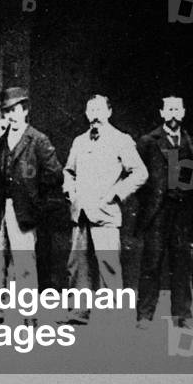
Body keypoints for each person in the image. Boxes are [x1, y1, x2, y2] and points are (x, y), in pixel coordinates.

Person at [62, 95, 147, 325]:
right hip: (80, 213)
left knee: (108, 264)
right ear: (86, 114)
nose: (95, 115)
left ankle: (114, 317)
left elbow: (140, 172)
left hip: (106, 212)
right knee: (77, 265)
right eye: (91, 110)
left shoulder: (121, 140)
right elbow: (68, 172)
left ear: (109, 112)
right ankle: (78, 313)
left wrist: (116, 194)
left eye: (100, 109)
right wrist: (70, 191)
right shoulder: (79, 141)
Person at [0, 87, 63, 324]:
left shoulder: (38, 139)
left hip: (24, 210)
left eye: (15, 110)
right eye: (6, 110)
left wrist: (36, 201)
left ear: (25, 110)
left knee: (24, 261)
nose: (11, 115)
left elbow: (55, 175)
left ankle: (29, 315)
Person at [136, 96, 193, 330]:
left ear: (183, 113)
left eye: (178, 109)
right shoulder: (148, 141)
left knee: (181, 264)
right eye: (170, 109)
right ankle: (144, 315)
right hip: (158, 212)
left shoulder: (189, 142)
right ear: (162, 113)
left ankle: (181, 315)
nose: (174, 114)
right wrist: (148, 204)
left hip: (181, 212)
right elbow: (138, 178)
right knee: (151, 264)